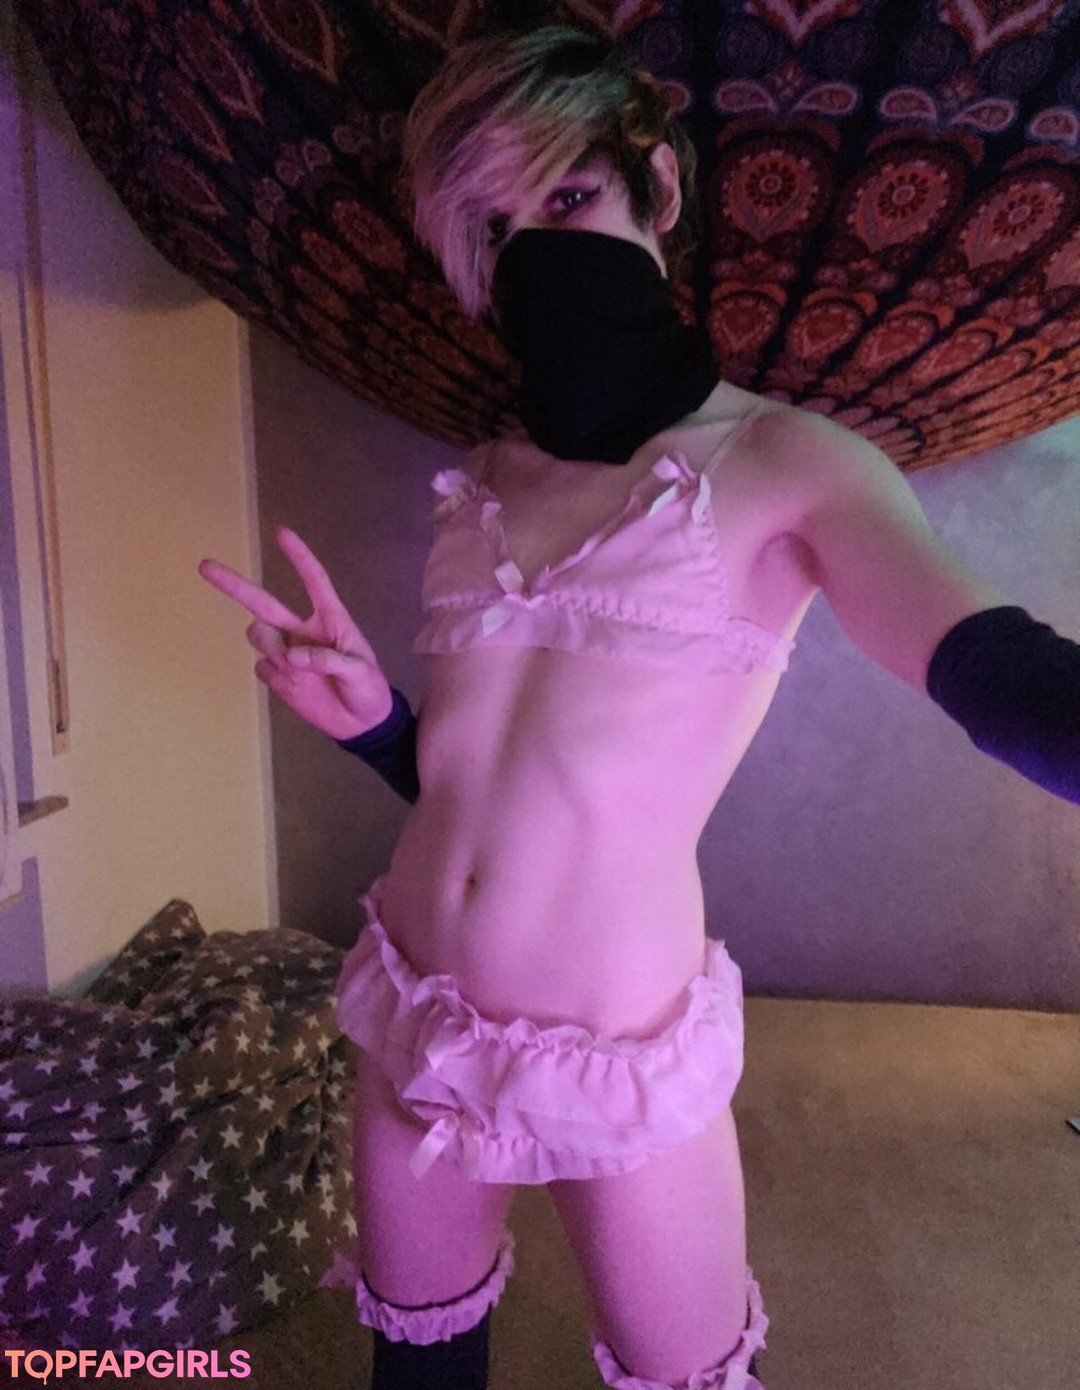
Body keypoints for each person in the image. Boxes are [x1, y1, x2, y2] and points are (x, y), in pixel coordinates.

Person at [200, 27, 1079, 1390]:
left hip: (619, 1050)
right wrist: (372, 718)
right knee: (417, 1364)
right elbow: (484, 791)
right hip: (417, 1013)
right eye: (498, 230)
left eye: (568, 196)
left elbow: (996, 669)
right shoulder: (485, 479)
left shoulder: (791, 464)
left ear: (656, 186)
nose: (536, 253)